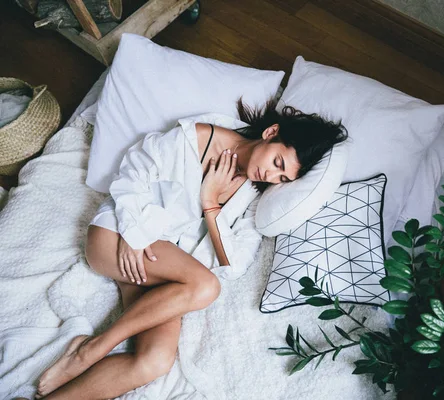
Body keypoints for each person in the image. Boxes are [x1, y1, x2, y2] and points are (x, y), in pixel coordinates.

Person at [34, 98, 348, 399]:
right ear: (271, 133)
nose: (272, 175)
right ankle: (90, 351)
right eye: (277, 162)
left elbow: (234, 265)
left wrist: (210, 203)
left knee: (153, 363)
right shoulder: (198, 137)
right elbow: (132, 175)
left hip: (157, 273)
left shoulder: (255, 197)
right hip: (116, 239)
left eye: (283, 177)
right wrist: (134, 234)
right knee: (205, 286)